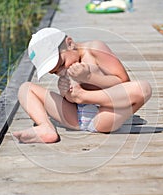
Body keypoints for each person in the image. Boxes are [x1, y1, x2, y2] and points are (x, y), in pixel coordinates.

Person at [13, 27, 152, 143]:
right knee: (25, 88)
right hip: (74, 117)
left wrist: (90, 78)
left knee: (143, 88)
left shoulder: (95, 49)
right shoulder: (66, 70)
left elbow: (123, 82)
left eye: (61, 64)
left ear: (70, 43)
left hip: (103, 115)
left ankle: (84, 96)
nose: (62, 72)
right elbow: (70, 99)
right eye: (54, 72)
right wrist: (66, 94)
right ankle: (45, 126)